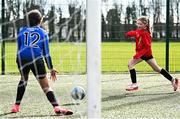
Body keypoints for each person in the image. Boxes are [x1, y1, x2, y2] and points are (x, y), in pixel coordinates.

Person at [11, 9, 73, 115]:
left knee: (23, 81)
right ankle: (57, 107)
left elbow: (19, 49)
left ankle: (16, 106)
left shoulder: (22, 31)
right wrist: (51, 68)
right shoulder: (43, 33)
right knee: (46, 87)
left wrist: (19, 61)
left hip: (21, 59)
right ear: (40, 21)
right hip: (36, 60)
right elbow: (46, 53)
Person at [125, 16, 179, 91]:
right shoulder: (139, 31)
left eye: (140, 24)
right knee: (157, 68)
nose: (138, 25)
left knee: (130, 64)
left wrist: (139, 54)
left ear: (145, 25)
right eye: (138, 24)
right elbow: (135, 33)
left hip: (144, 54)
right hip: (147, 55)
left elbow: (147, 46)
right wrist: (129, 34)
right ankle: (173, 80)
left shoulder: (145, 34)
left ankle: (134, 85)